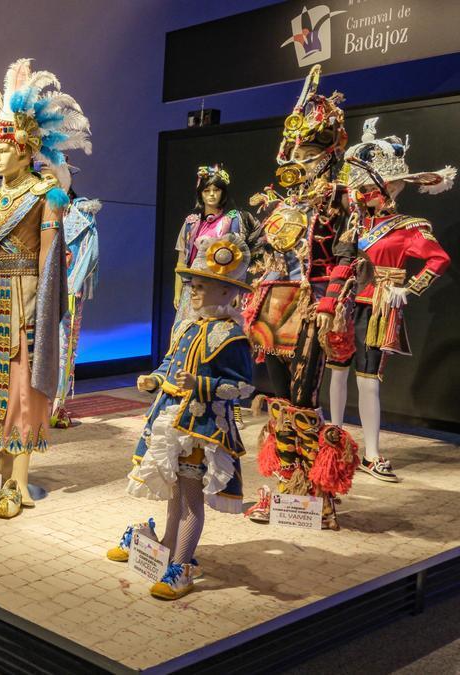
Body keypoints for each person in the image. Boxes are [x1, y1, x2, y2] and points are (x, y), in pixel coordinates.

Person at [0, 57, 90, 518]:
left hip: (26, 298)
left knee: (22, 387)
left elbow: (52, 260)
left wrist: (42, 309)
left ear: (27, 150)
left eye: (5, 148)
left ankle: (19, 480)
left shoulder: (44, 195)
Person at [243, 65, 359, 530]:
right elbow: (262, 250)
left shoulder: (340, 196)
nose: (303, 158)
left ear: (330, 149)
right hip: (274, 304)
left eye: (311, 149)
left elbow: (349, 251)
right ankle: (285, 482)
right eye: (298, 149)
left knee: (303, 397)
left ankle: (316, 492)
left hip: (313, 306)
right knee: (277, 395)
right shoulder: (281, 201)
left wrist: (332, 301)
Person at [108, 232, 254, 601]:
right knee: (176, 492)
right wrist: (154, 379)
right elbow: (171, 366)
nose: (194, 291)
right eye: (193, 285)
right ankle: (167, 552)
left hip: (201, 427)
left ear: (226, 291)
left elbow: (242, 388)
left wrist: (201, 385)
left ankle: (183, 564)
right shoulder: (189, 327)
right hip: (172, 418)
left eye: (202, 286)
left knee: (190, 497)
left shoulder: (232, 336)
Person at [326, 118, 454, 483]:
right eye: (361, 189)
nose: (363, 195)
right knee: (336, 371)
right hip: (345, 304)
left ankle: (371, 452)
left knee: (368, 379)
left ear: (391, 188)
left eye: (370, 188)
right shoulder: (353, 226)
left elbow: (438, 260)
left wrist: (409, 288)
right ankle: (334, 437)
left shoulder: (409, 227)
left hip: (378, 304)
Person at [50, 189, 101, 428]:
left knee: (64, 346)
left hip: (68, 286)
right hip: (38, 286)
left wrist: (73, 282)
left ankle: (56, 406)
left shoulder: (81, 212)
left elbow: (89, 253)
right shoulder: (40, 207)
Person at [172, 165, 244, 334]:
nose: (211, 194)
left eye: (216, 190)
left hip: (219, 286)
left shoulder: (231, 220)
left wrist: (236, 291)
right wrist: (178, 292)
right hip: (193, 286)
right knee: (186, 333)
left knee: (214, 333)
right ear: (201, 194)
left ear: (223, 193)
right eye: (206, 190)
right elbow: (181, 261)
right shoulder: (190, 223)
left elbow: (239, 260)